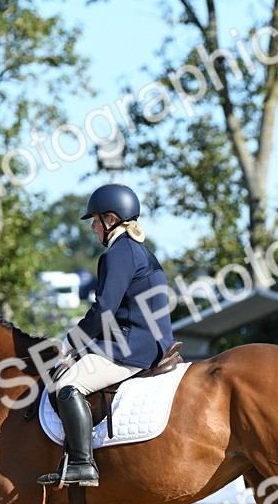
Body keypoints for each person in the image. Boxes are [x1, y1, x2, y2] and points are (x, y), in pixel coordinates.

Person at [37, 183, 176, 488]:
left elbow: (103, 311)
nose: (93, 228)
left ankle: (81, 464)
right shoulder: (137, 249)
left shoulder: (119, 253)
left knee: (66, 383)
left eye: (95, 221)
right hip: (143, 340)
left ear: (110, 220)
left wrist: (69, 344)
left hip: (131, 345)